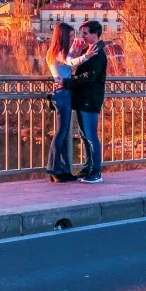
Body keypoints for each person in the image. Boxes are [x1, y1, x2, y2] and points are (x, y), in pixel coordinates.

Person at [45, 22, 100, 183]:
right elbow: (71, 63)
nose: (73, 38)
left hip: (64, 92)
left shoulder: (58, 51)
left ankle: (61, 169)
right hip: (63, 93)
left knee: (63, 132)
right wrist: (87, 55)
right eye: (70, 36)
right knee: (61, 132)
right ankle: (54, 168)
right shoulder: (58, 51)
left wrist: (77, 52)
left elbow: (70, 61)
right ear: (62, 36)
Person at [61, 21, 108, 184]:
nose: (83, 37)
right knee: (84, 135)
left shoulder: (98, 53)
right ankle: (89, 167)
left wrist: (67, 82)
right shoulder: (89, 50)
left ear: (95, 34)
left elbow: (89, 77)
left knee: (91, 135)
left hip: (90, 100)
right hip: (83, 99)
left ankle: (96, 171)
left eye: (86, 33)